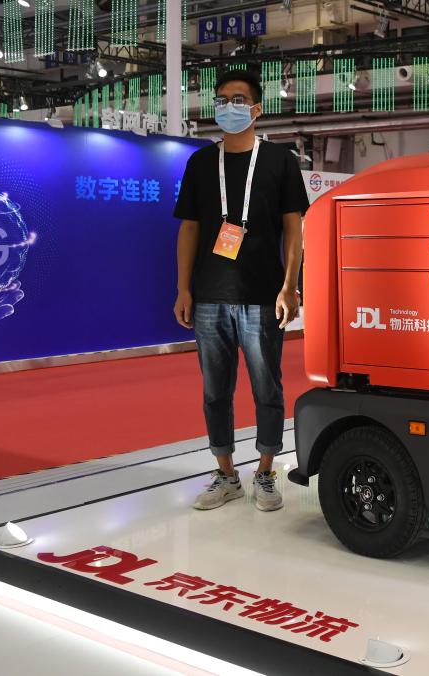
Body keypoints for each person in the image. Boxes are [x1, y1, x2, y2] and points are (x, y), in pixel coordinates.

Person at [173, 69, 309, 511]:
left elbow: (294, 230)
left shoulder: (280, 161)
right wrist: (183, 289)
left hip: (262, 295)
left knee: (267, 388)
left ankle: (265, 472)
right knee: (215, 391)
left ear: (256, 109)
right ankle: (226, 473)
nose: (227, 107)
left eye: (237, 99)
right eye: (221, 99)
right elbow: (189, 230)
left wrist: (290, 287)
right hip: (210, 297)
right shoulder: (200, 163)